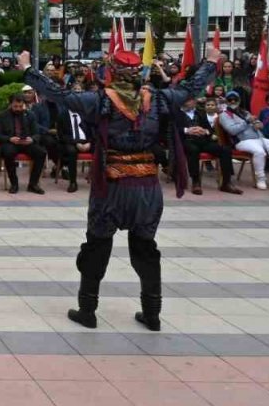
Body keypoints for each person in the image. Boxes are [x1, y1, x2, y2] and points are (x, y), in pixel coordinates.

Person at [19, 46, 218, 333]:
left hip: (111, 184)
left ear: (110, 71)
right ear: (140, 74)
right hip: (146, 185)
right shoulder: (159, 98)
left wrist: (28, 69)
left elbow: (59, 94)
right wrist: (210, 62)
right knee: (146, 248)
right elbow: (190, 88)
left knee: (97, 245)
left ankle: (88, 310)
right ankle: (152, 314)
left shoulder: (99, 100)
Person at [219, 91, 269, 190]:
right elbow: (232, 131)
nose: (232, 101)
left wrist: (258, 124)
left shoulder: (245, 112)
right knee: (259, 152)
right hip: (242, 141)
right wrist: (247, 121)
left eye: (235, 99)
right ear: (226, 102)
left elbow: (257, 122)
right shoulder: (224, 115)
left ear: (239, 100)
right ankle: (260, 179)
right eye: (230, 100)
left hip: (259, 138)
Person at [174, 96, 241, 195]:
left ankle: (226, 183)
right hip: (187, 140)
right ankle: (196, 182)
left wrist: (204, 131)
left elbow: (209, 129)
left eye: (193, 100)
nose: (192, 102)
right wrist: (187, 130)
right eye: (189, 101)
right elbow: (172, 130)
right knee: (193, 150)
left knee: (225, 150)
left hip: (203, 140)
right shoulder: (176, 114)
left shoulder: (200, 113)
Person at [0, 94, 47, 194]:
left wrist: (32, 139)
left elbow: (37, 133)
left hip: (26, 143)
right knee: (8, 153)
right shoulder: (2, 116)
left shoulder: (30, 115)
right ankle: (14, 183)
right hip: (10, 143)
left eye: (20, 106)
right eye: (15, 107)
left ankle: (33, 184)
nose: (18, 109)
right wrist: (10, 139)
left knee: (41, 153)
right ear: (10, 105)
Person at [57, 87, 93, 193]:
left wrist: (89, 143)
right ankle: (73, 182)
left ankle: (100, 180)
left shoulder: (87, 114)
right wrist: (76, 143)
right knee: (71, 151)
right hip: (70, 142)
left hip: (86, 141)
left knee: (102, 149)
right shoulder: (62, 115)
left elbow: (93, 131)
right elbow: (61, 135)